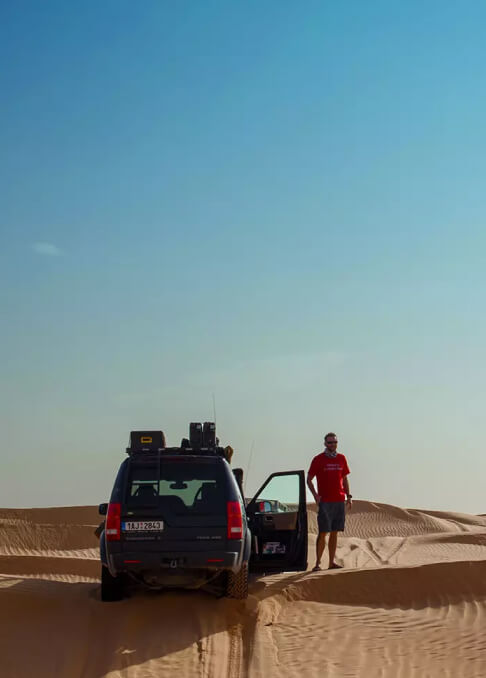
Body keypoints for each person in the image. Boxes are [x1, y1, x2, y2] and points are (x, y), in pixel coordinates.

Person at [307, 432, 352, 571]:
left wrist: (348, 496)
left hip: (339, 500)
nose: (333, 445)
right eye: (330, 442)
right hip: (325, 501)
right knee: (323, 532)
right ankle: (318, 564)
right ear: (325, 444)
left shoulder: (341, 458)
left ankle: (331, 563)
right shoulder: (318, 459)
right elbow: (309, 479)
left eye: (335, 442)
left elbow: (344, 478)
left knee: (335, 532)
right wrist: (315, 495)